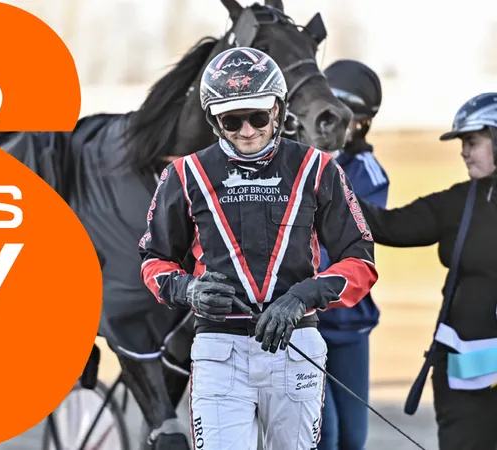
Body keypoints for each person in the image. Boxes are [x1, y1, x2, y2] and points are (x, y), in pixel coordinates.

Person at [137, 47, 379, 450]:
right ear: (214, 120)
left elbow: (361, 262)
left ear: (278, 110)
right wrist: (187, 289)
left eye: (258, 117)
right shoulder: (183, 174)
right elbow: (153, 259)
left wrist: (303, 297)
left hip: (295, 346)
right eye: (231, 121)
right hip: (219, 350)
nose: (247, 131)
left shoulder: (318, 168)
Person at [357, 92, 497, 450]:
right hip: (463, 382)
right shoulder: (458, 201)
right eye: (463, 143)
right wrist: (328, 186)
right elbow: (389, 226)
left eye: (472, 142)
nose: (464, 152)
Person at [316, 59, 389, 450]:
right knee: (323, 435)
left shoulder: (368, 174)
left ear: (362, 124)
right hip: (301, 325)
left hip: (347, 325)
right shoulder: (293, 162)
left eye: (342, 117)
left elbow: (347, 248)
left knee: (352, 439)